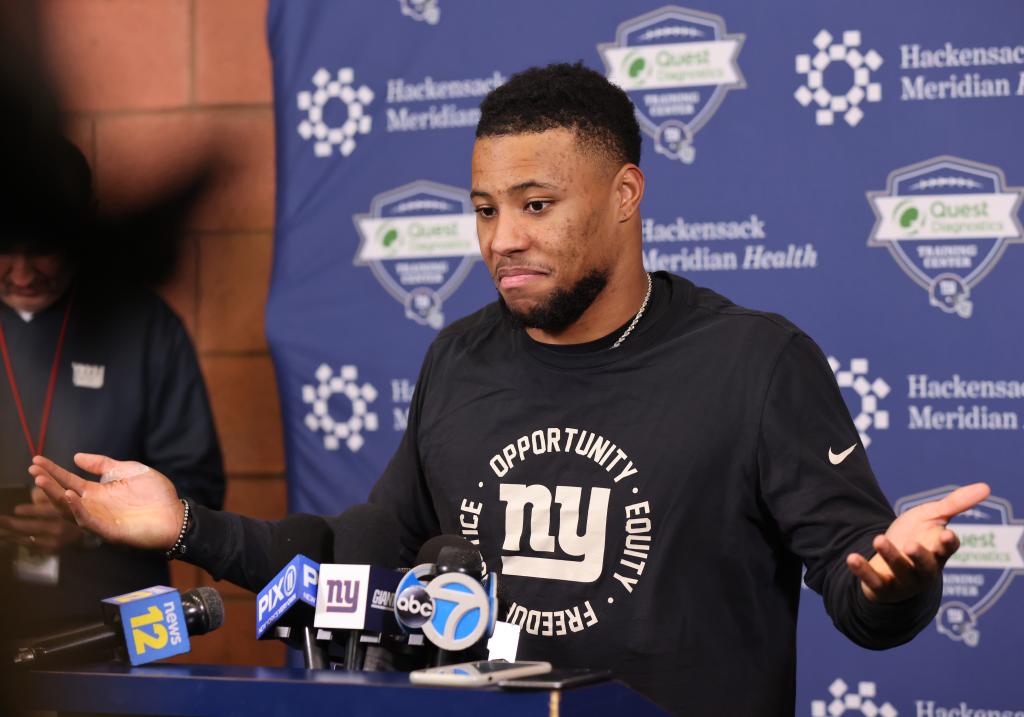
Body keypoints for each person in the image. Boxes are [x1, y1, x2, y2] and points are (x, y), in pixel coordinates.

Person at [29, 65, 987, 716]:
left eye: (537, 205)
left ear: (625, 194)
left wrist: (900, 581)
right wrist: (186, 528)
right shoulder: (460, 357)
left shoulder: (757, 362)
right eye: (484, 209)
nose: (502, 240)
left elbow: (864, 598)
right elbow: (349, 561)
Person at [0, 138, 225, 637]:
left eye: (44, 250)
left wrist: (92, 526)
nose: (21, 272)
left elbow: (201, 490)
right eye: (3, 249)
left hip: (120, 624)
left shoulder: (144, 325)